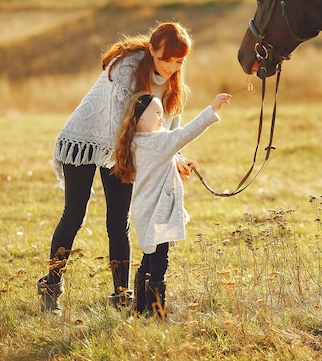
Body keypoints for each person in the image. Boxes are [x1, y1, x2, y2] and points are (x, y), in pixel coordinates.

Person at [37, 21, 197, 315]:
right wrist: (159, 156)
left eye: (179, 62)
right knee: (74, 215)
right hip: (86, 139)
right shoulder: (127, 66)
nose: (171, 67)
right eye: (165, 59)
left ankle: (121, 296)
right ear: (152, 49)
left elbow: (168, 134)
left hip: (124, 148)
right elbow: (118, 126)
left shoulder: (174, 87)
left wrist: (178, 159)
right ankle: (51, 284)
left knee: (117, 222)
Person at [114, 91, 231, 319]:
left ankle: (140, 308)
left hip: (145, 211)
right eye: (156, 113)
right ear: (139, 118)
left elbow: (159, 159)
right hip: (157, 212)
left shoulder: (135, 142)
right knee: (159, 262)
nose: (161, 117)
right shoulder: (159, 142)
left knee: (149, 258)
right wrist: (213, 109)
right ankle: (157, 313)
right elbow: (186, 133)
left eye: (162, 113)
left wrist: (178, 160)